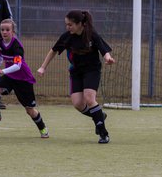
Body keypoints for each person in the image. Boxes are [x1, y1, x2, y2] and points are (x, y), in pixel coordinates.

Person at [37, 10, 115, 144]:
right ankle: (99, 116)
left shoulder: (91, 35)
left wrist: (108, 58)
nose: (67, 27)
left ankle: (103, 132)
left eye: (70, 25)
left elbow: (104, 49)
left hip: (92, 70)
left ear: (80, 24)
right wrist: (43, 67)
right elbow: (53, 51)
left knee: (89, 98)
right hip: (76, 71)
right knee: (78, 104)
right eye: (66, 25)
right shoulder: (67, 37)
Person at [0, 19, 49, 138]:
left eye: (7, 30)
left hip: (23, 79)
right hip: (10, 77)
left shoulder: (17, 46)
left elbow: (18, 65)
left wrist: (2, 71)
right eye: (2, 30)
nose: (4, 32)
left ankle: (42, 128)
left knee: (29, 110)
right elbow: (0, 55)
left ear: (13, 32)